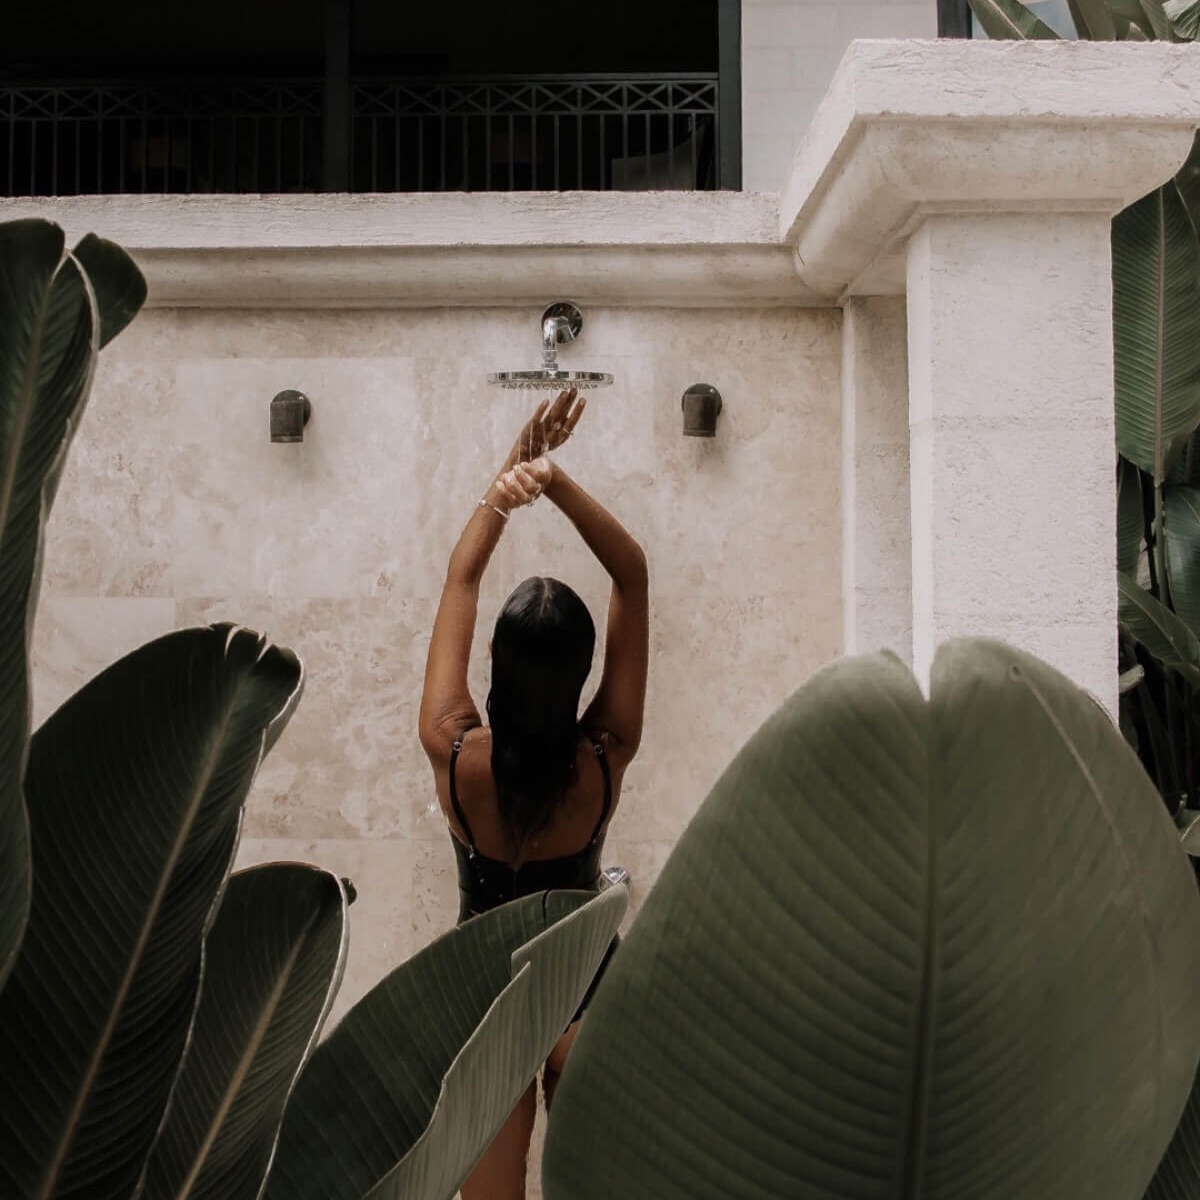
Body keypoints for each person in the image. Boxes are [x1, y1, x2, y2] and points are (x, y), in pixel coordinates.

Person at [419, 387, 649, 1200]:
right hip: (589, 993)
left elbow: (462, 575)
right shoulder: (605, 754)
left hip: (487, 1003)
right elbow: (631, 573)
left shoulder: (452, 752)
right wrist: (552, 481)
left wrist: (510, 475)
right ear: (582, 672)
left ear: (499, 664)